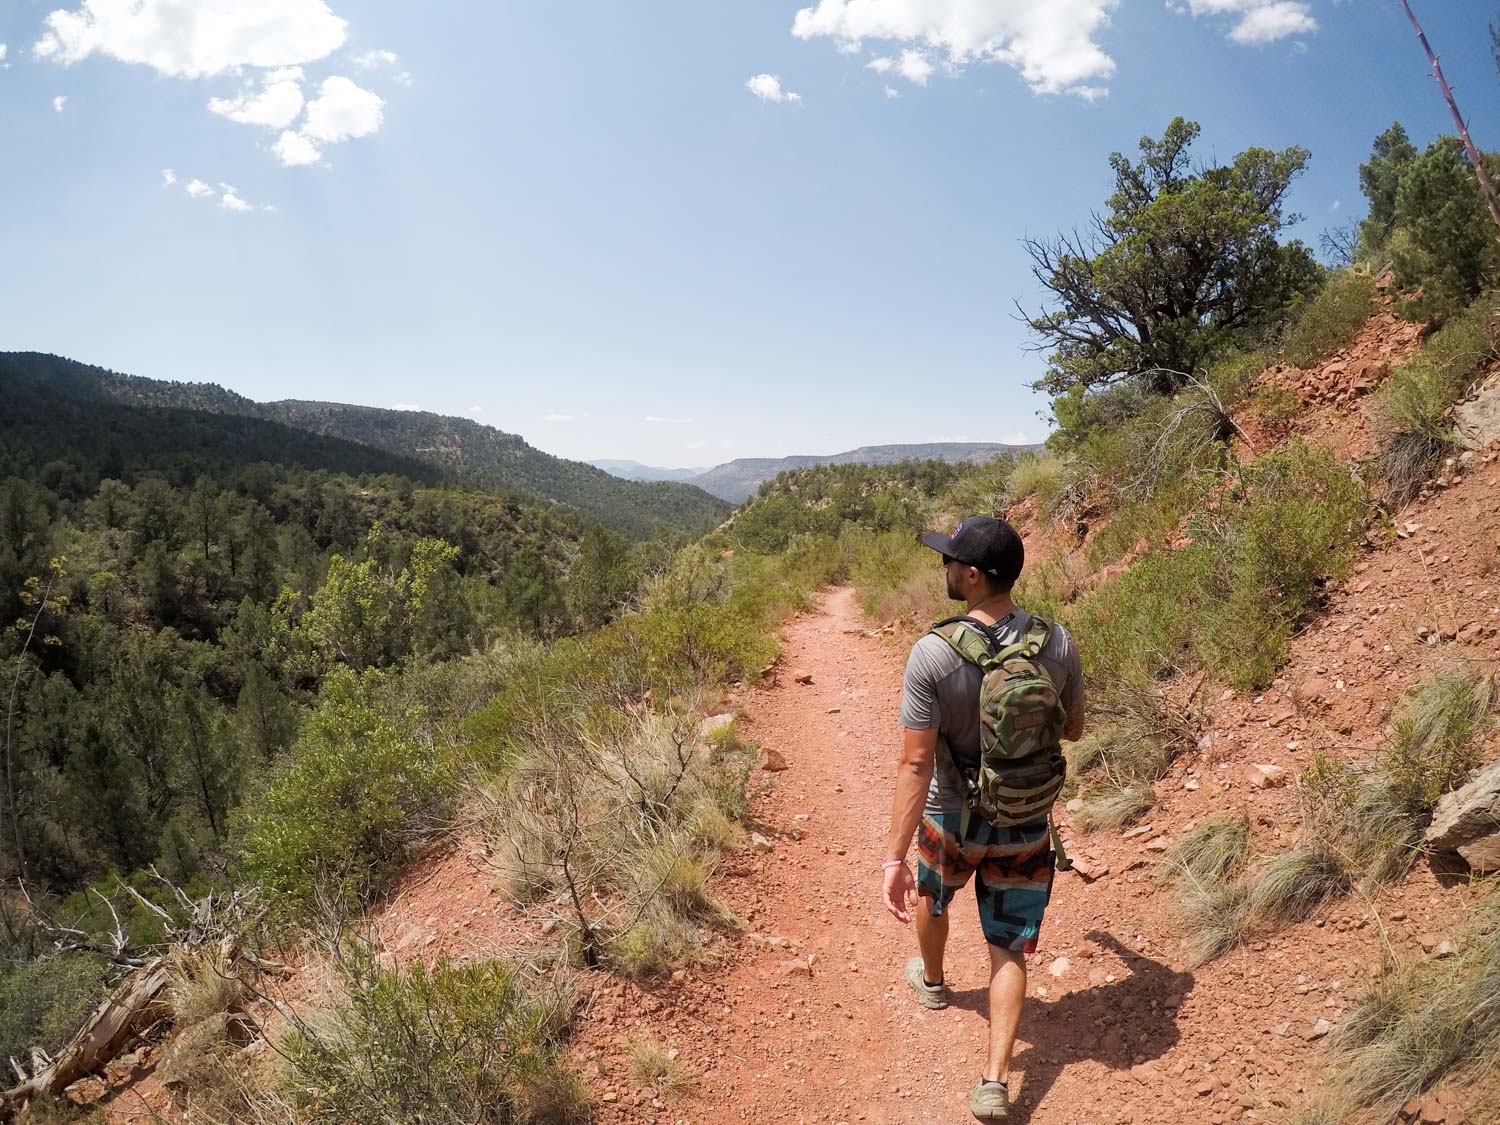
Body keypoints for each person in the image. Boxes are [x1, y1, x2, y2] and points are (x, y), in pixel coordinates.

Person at [881, 515, 1086, 1122]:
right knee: (1009, 947)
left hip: (952, 819)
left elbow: (916, 763)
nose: (943, 568)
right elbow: (1072, 729)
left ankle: (936, 980)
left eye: (949, 561)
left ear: (971, 576)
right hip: (1025, 821)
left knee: (932, 894)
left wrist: (893, 856)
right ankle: (994, 1081)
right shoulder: (1058, 642)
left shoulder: (932, 654)